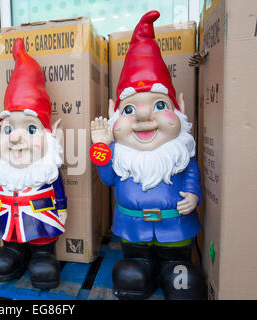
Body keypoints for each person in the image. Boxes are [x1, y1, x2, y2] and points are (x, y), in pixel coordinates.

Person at [91, 11, 205, 300]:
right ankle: (140, 269)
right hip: (133, 229)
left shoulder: (180, 149)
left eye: (158, 105)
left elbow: (190, 173)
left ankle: (173, 268)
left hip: (175, 227)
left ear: (178, 107)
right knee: (132, 271)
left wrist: (193, 196)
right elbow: (107, 179)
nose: (143, 116)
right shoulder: (119, 152)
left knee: (181, 271)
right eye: (128, 110)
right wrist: (102, 147)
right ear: (112, 115)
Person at [0, 39, 67, 290]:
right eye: (8, 129)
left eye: (30, 128)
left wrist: (61, 208)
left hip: (40, 218)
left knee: (42, 256)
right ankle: (14, 252)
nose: (16, 138)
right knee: (4, 257)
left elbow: (58, 189)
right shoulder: (1, 163)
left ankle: (42, 255)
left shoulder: (47, 166)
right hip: (10, 220)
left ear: (50, 136)